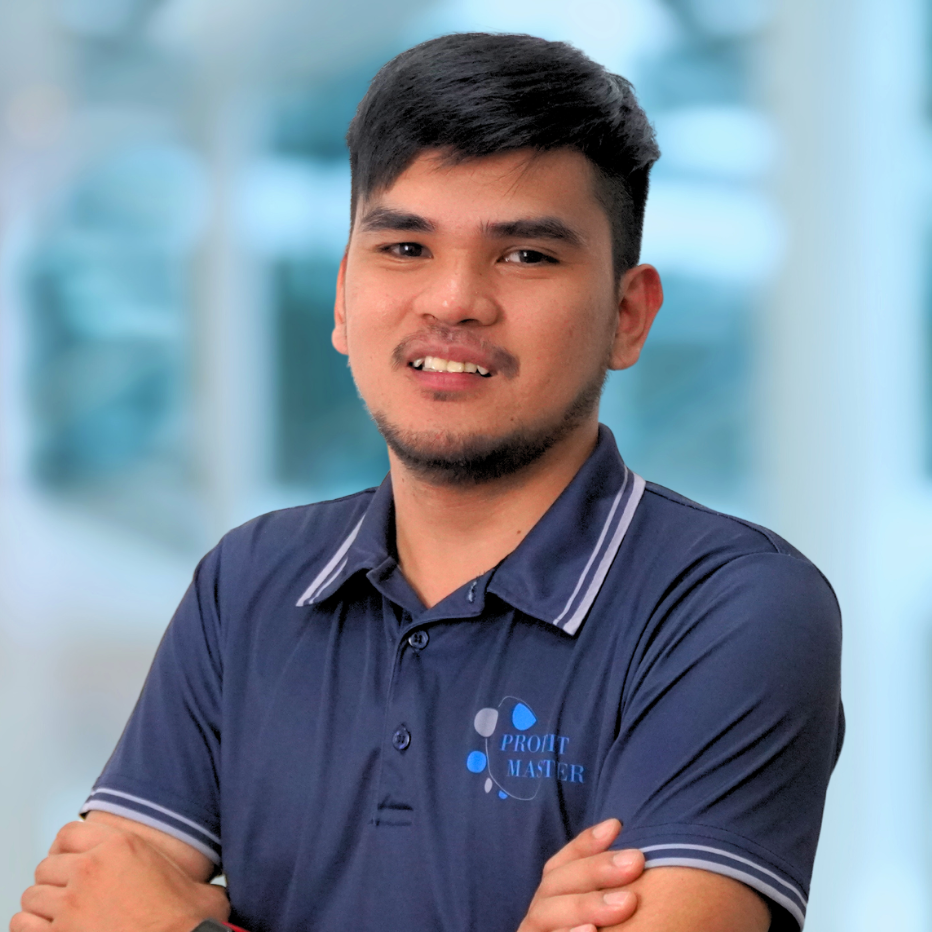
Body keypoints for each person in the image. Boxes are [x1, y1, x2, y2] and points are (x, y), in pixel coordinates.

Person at [12, 32, 843, 932]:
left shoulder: (731, 607)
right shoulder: (247, 583)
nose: (452, 301)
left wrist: (182, 926)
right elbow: (81, 911)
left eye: (526, 255)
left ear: (627, 315)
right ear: (341, 297)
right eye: (404, 247)